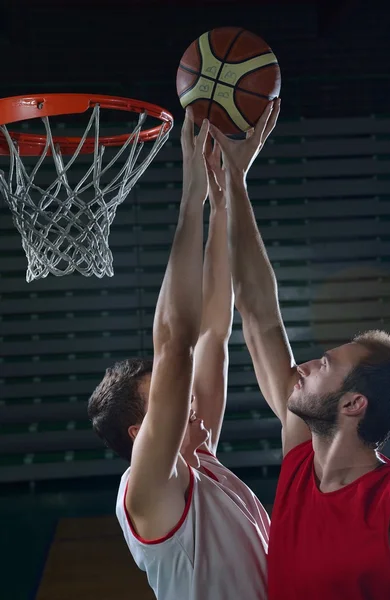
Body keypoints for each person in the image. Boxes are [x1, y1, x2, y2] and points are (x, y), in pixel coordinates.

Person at [210, 98, 390, 599]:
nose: (307, 365)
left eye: (325, 365)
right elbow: (258, 314)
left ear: (353, 403)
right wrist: (235, 180)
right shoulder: (301, 455)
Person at [88, 112, 272, 600]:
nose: (189, 399)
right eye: (167, 397)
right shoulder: (147, 490)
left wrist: (228, 192)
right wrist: (191, 195)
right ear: (139, 432)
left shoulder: (201, 455)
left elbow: (213, 331)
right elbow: (176, 342)